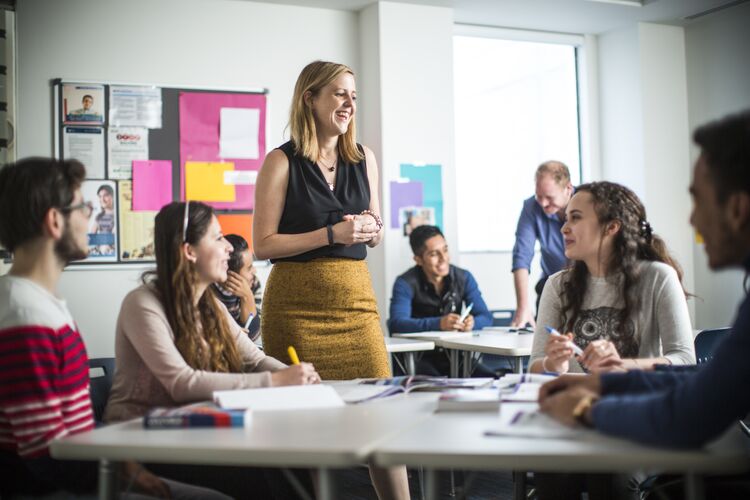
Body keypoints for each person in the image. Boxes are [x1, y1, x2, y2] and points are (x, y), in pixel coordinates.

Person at [538, 109, 750, 499]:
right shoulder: (557, 284)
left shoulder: (657, 278)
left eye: (698, 200)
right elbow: (709, 389)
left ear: (737, 208)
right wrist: (607, 382)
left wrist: (589, 407)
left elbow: (695, 406)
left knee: (612, 477)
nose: (692, 219)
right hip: (608, 411)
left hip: (640, 435)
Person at [0, 158, 227, 499]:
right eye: (83, 206)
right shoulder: (25, 316)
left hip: (91, 468)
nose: (90, 215)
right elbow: (46, 455)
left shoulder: (41, 304)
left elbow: (69, 433)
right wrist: (130, 474)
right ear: (54, 221)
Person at [253, 60, 410, 500]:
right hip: (296, 312)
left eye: (353, 96)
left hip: (356, 307)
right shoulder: (280, 162)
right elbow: (263, 245)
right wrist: (331, 234)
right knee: (307, 428)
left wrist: (370, 229)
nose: (348, 103)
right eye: (339, 93)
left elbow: (378, 230)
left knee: (383, 419)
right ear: (310, 99)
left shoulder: (365, 159)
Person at [104, 200, 319, 498]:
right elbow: (182, 383)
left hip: (194, 430)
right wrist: (275, 382)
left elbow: (254, 359)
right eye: (218, 238)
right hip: (142, 441)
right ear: (189, 251)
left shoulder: (209, 305)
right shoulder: (142, 304)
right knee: (263, 473)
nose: (229, 248)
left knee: (292, 461)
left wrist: (299, 376)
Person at [529, 181, 695, 375]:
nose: (564, 228)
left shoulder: (659, 277)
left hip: (638, 399)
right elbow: (535, 364)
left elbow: (685, 359)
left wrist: (621, 366)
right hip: (576, 400)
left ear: (611, 227)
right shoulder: (557, 284)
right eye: (566, 219)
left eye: (576, 218)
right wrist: (552, 364)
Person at [388, 225, 492, 375]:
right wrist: (438, 323)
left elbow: (486, 316)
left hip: (457, 356)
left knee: (493, 379)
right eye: (433, 254)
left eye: (445, 250)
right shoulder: (405, 283)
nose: (444, 259)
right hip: (418, 359)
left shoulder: (464, 277)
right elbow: (397, 323)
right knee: (437, 387)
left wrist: (473, 323)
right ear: (418, 259)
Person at [511, 161, 573, 327]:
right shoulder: (531, 206)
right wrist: (523, 307)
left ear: (568, 189)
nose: (543, 203)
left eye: (549, 197)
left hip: (584, 285)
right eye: (539, 196)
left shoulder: (587, 203)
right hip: (551, 287)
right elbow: (521, 256)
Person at [212, 233, 262, 340]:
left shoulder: (254, 284)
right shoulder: (209, 291)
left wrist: (247, 297)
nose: (255, 271)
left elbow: (253, 336)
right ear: (230, 275)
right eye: (249, 268)